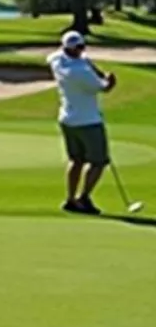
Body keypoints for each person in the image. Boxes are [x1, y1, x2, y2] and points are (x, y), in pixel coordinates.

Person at [48, 29, 116, 215]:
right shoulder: (80, 72)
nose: (81, 50)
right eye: (79, 47)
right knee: (99, 161)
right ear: (72, 49)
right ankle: (84, 198)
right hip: (89, 121)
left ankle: (70, 199)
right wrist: (110, 80)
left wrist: (86, 60)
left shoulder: (56, 60)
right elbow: (104, 87)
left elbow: (79, 58)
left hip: (67, 119)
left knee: (76, 160)